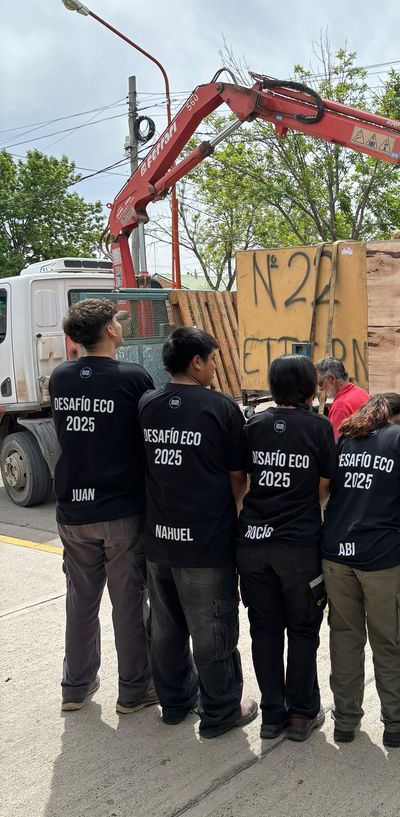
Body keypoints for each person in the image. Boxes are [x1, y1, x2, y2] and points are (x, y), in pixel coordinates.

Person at [139, 327, 257, 739]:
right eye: (211, 359)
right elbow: (237, 477)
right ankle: (221, 711)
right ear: (196, 362)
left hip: (158, 540)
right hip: (205, 541)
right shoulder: (220, 408)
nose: (213, 367)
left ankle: (174, 704)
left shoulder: (148, 404)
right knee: (213, 629)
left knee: (166, 627)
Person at [50, 298, 156, 714]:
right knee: (128, 602)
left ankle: (75, 686)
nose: (120, 324)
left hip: (73, 511)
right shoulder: (133, 378)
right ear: (110, 330)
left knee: (81, 599)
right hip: (120, 510)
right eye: (117, 319)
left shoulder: (60, 378)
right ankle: (134, 690)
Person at [238, 355, 336, 742]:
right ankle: (301, 714)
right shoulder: (318, 427)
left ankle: (271, 716)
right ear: (309, 387)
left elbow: (242, 479)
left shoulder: (254, 424)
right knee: (302, 629)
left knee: (263, 630)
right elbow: (324, 486)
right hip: (298, 546)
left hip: (253, 543)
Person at [321, 392, 400, 748]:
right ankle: (395, 724)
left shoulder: (345, 437)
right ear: (397, 417)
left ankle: (345, 723)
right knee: (387, 642)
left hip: (335, 552)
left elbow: (325, 491)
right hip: (380, 556)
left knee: (345, 639)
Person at [316, 357, 369, 438]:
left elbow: (336, 444)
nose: (320, 389)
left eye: (321, 383)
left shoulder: (340, 406)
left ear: (332, 379)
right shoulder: (362, 392)